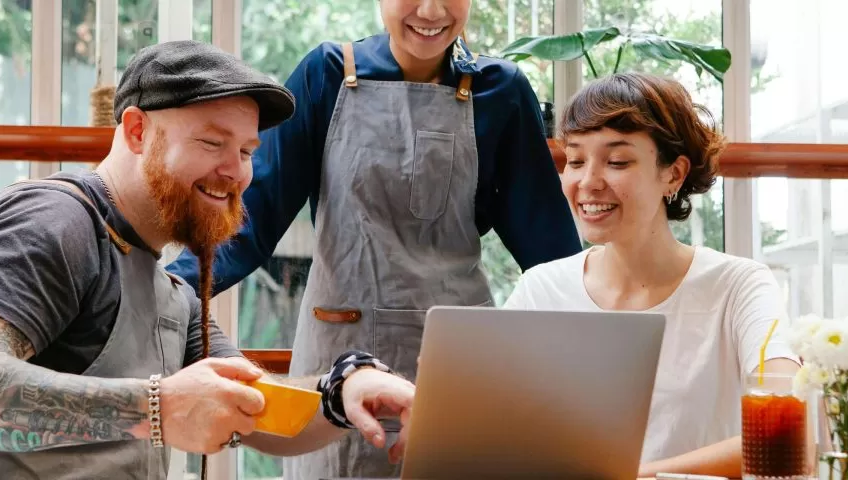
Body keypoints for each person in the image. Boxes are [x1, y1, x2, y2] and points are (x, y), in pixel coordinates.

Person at [0, 40, 416, 480]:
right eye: (213, 142)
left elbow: (256, 411)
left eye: (248, 151)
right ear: (137, 131)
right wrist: (161, 407)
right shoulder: (51, 224)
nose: (236, 172)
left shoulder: (170, 292)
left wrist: (343, 390)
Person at [167, 2, 581, 476]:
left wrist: (599, 373)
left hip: (457, 364)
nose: (430, 10)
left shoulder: (501, 91)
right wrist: (164, 293)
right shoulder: (325, 75)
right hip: (336, 361)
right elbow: (248, 225)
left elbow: (551, 255)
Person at [502, 73, 802, 479]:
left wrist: (637, 474)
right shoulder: (540, 290)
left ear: (674, 174)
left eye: (617, 161)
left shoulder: (739, 287)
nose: (588, 182)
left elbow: (791, 432)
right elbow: (493, 432)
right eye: (574, 160)